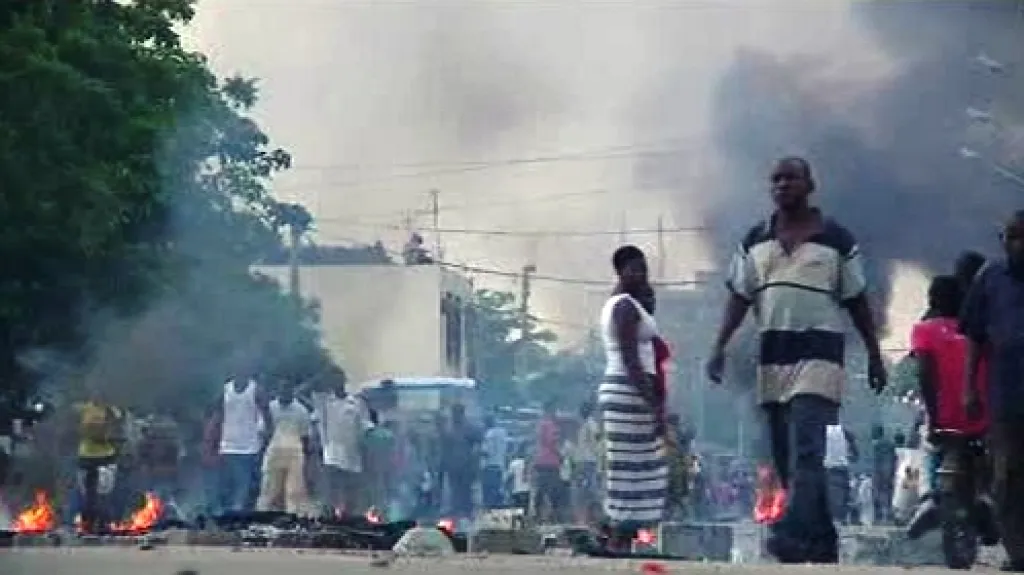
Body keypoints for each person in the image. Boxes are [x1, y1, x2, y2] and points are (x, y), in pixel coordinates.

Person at [705, 157, 886, 563]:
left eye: (791, 178)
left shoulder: (836, 240)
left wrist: (874, 353)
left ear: (810, 185)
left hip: (819, 357)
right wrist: (719, 347)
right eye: (776, 179)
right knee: (786, 455)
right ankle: (821, 540)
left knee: (807, 446)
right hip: (773, 359)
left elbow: (857, 301)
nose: (783, 185)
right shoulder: (755, 240)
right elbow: (739, 296)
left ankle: (788, 531)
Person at [906, 276, 995, 539]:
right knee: (987, 455)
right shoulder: (979, 334)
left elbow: (924, 374)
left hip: (944, 417)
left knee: (927, 446)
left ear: (932, 300)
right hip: (979, 415)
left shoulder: (923, 331)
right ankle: (984, 496)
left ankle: (927, 498)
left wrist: (933, 418)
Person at [960, 211, 1024, 572]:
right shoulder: (991, 279)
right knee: (1008, 475)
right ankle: (1019, 552)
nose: (1016, 245)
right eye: (1010, 237)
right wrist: (968, 388)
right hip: (1007, 394)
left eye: (1022, 237)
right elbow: (973, 337)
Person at [597, 245, 669, 544]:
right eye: (634, 269)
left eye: (644, 269)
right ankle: (618, 532)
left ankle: (620, 532)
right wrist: (652, 403)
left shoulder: (625, 303)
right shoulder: (624, 306)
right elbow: (631, 358)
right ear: (620, 271)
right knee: (633, 466)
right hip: (629, 389)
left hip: (627, 389)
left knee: (634, 465)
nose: (640, 275)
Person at [214, 372, 272, 513]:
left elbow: (267, 417)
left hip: (249, 447)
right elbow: (218, 414)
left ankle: (238, 514)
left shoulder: (256, 390)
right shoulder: (225, 389)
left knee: (243, 485)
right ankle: (228, 514)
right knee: (227, 484)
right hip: (228, 445)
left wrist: (265, 441)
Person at [313, 372, 369, 516]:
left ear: (344, 382)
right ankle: (330, 517)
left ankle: (347, 518)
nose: (335, 384)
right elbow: (318, 424)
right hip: (332, 454)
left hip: (352, 454)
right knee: (332, 490)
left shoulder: (356, 403)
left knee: (350, 492)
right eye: (332, 381)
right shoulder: (324, 403)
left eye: (338, 380)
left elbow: (365, 427)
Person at [73, 387, 124, 534]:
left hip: (106, 457)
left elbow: (118, 430)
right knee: (86, 494)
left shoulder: (113, 412)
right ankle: (86, 525)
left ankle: (103, 525)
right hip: (85, 457)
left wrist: (110, 435)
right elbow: (73, 427)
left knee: (104, 493)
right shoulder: (82, 409)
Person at [256, 384, 312, 514]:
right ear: (278, 391)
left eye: (287, 391)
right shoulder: (270, 408)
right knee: (269, 488)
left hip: (294, 452)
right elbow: (263, 431)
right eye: (282, 391)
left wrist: (306, 457)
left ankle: (292, 517)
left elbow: (305, 436)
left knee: (293, 490)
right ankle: (263, 516)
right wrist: (262, 450)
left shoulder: (301, 410)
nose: (285, 394)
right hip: (274, 450)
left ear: (292, 392)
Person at [440, 403, 480, 519]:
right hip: (453, 464)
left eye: (456, 413)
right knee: (455, 488)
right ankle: (456, 510)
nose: (454, 415)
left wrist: (474, 462)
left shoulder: (469, 428)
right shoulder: (449, 428)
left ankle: (466, 511)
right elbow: (445, 447)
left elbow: (477, 445)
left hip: (466, 464)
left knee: (465, 489)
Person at [532, 400, 562, 523]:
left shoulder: (540, 424)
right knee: (553, 489)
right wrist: (561, 455)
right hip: (551, 461)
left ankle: (537, 515)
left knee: (541, 488)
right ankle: (554, 516)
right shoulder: (550, 425)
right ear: (551, 410)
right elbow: (552, 443)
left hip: (540, 460)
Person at [574, 401, 602, 523]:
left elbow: (597, 440)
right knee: (584, 491)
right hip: (585, 461)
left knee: (590, 490)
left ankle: (595, 515)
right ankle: (587, 517)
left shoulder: (591, 424)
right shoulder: (586, 425)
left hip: (589, 461)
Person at [481, 415, 509, 509]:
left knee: (489, 495)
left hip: (489, 467)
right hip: (500, 466)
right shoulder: (503, 433)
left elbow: (486, 452)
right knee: (497, 492)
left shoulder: (489, 434)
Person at [870, 425, 896, 525]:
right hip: (889, 472)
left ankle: (878, 516)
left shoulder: (877, 445)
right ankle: (888, 515)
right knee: (888, 494)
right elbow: (893, 459)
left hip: (880, 472)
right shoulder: (890, 444)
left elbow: (877, 461)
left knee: (876, 493)